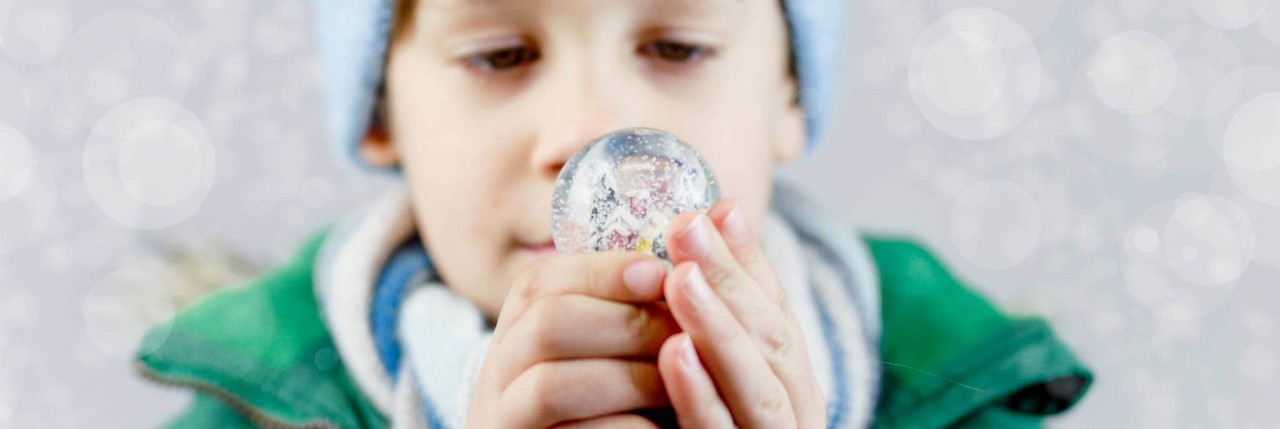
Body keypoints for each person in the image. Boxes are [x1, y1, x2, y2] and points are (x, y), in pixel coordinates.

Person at [135, 0, 1092, 427]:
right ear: (383, 110)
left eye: (676, 45)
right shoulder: (254, 408)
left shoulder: (953, 388)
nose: (596, 132)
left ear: (789, 92)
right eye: (501, 55)